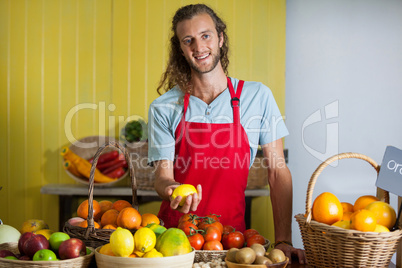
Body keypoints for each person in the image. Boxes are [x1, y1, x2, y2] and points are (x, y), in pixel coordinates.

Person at [147, 4, 306, 264]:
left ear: (220, 38)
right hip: (174, 241)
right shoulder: (164, 106)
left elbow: (277, 172)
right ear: (180, 48)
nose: (199, 47)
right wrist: (171, 189)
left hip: (233, 240)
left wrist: (284, 241)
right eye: (189, 40)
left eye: (206, 35)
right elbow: (162, 178)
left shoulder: (257, 97)